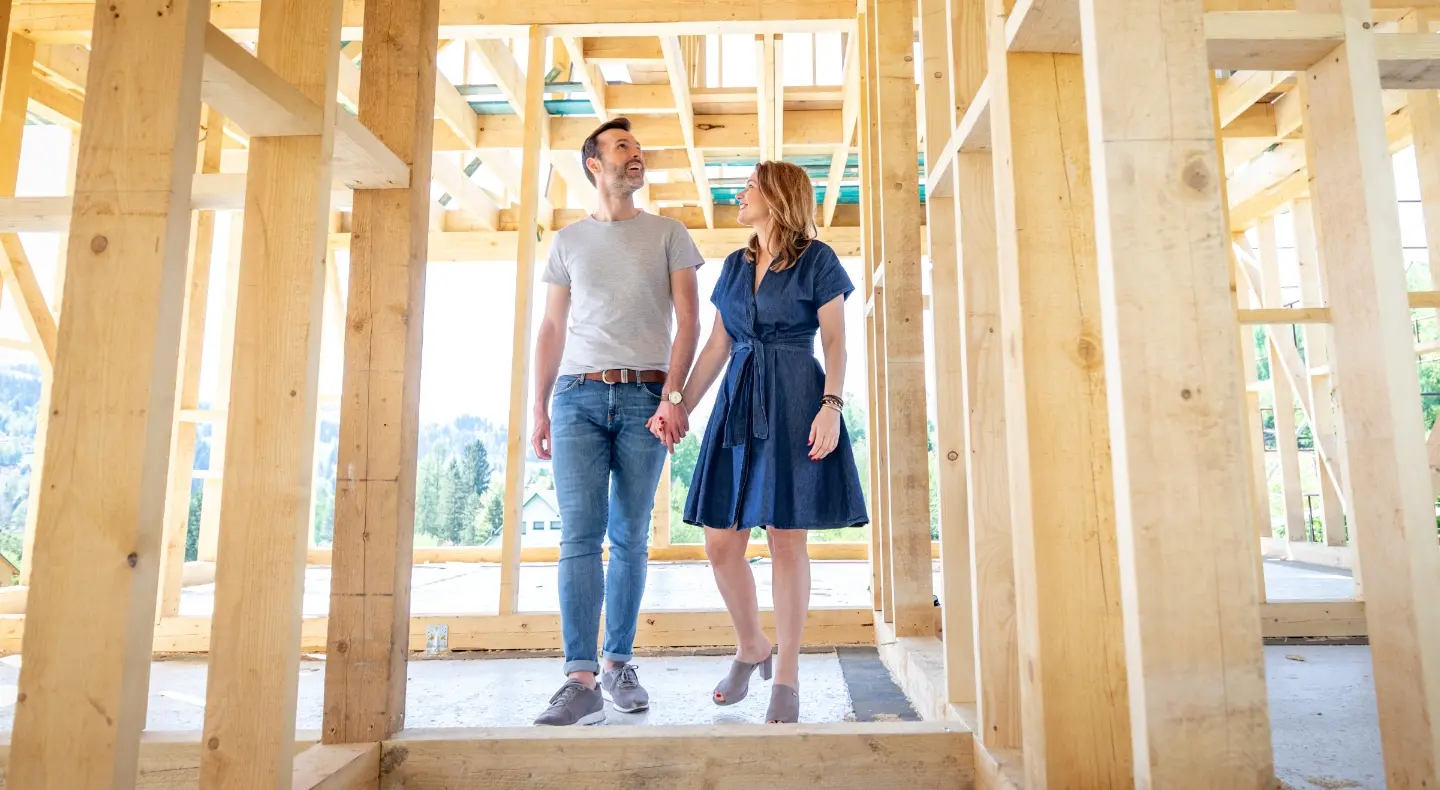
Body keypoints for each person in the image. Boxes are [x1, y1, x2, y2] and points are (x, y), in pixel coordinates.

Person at [664, 160, 868, 724]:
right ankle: (752, 645)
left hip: (798, 401)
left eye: (750, 186)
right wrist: (677, 402)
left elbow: (835, 340)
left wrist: (831, 406)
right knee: (720, 542)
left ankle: (787, 675)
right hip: (737, 406)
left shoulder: (818, 261)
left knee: (785, 541)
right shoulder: (733, 265)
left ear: (777, 197)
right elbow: (715, 348)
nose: (740, 193)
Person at [529, 117, 703, 726]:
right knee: (579, 535)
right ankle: (580, 680)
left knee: (629, 535)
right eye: (622, 147)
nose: (637, 155)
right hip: (575, 397)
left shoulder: (669, 234)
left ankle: (618, 663)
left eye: (637, 147)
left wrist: (673, 396)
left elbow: (690, 322)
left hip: (645, 399)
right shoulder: (568, 241)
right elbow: (552, 328)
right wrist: (539, 406)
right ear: (594, 165)